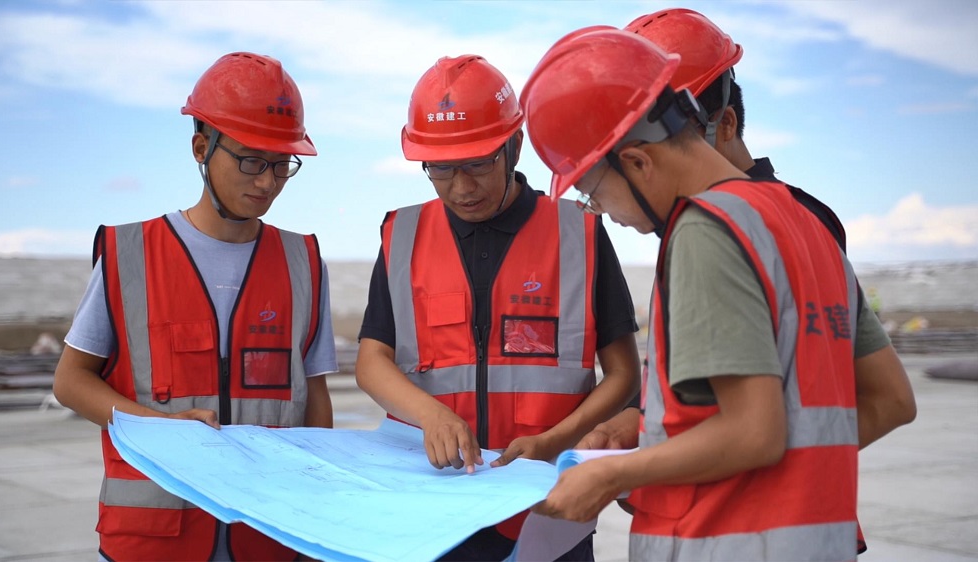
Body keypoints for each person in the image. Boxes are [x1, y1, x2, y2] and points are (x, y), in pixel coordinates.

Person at [520, 28, 916, 561]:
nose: (604, 214)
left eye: (593, 194)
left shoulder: (704, 231)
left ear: (637, 163)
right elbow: (891, 401)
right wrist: (653, 435)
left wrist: (615, 474)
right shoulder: (802, 220)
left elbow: (753, 433)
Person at [580, 9, 916, 467]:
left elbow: (766, 424)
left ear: (725, 124)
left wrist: (635, 473)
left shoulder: (727, 230)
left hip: (742, 509)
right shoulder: (765, 221)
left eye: (673, 133)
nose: (657, 157)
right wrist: (642, 422)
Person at [354, 54, 641, 561]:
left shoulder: (579, 232)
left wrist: (553, 441)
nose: (462, 188)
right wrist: (431, 416)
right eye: (441, 169)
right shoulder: (402, 235)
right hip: (428, 511)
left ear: (514, 146)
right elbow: (371, 361)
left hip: (548, 510)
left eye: (478, 164)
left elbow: (623, 374)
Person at [53, 52, 337, 562]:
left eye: (281, 164)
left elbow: (314, 400)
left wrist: (318, 513)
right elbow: (71, 381)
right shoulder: (129, 255)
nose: (267, 182)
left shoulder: (304, 262)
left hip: (271, 534)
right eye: (251, 160)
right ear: (202, 148)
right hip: (154, 540)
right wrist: (157, 427)